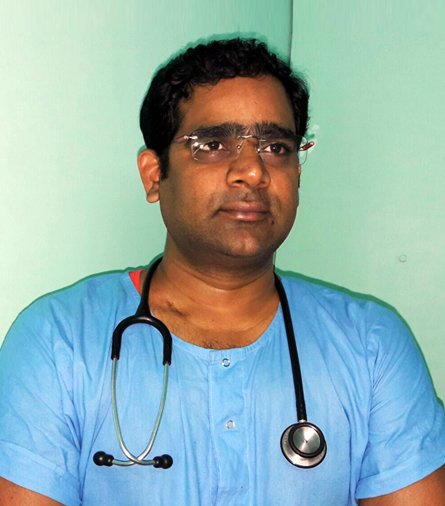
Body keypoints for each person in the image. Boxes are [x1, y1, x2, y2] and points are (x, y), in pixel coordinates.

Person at [0, 38, 444, 506]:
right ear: (154, 175)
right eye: (212, 145)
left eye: (276, 146)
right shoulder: (59, 340)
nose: (253, 171)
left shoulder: (371, 345)